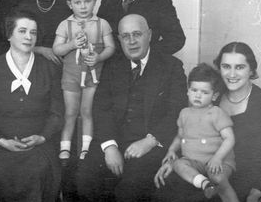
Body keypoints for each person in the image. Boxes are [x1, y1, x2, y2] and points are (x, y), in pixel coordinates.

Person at [76, 14, 187, 202]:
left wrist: (150, 141)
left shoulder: (171, 66)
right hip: (115, 141)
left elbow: (177, 111)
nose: (132, 41)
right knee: (83, 180)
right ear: (119, 39)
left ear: (149, 35)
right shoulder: (113, 65)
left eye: (137, 34)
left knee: (129, 190)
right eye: (126, 36)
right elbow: (102, 109)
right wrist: (110, 147)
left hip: (151, 145)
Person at [154, 42, 261, 202]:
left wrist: (257, 191)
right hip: (204, 166)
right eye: (226, 66)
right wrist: (177, 161)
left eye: (239, 67)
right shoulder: (212, 94)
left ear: (251, 70)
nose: (231, 74)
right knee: (166, 187)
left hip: (241, 176)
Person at [0, 11, 64, 202]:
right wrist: (1, 141)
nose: (29, 37)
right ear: (9, 35)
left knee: (38, 172)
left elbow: (57, 113)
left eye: (33, 32)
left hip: (38, 147)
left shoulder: (48, 68)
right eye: (22, 31)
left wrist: (41, 137)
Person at [52, 0, 115, 164]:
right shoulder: (65, 24)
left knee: (87, 111)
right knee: (70, 111)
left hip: (92, 75)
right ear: (69, 4)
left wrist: (98, 57)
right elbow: (57, 49)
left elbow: (111, 48)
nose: (83, 6)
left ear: (95, 0)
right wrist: (71, 44)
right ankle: (65, 148)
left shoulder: (102, 24)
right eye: (77, 2)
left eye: (87, 1)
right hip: (71, 75)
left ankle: (85, 148)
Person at [161, 63, 238, 202]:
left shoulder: (216, 113)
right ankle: (204, 183)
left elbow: (229, 139)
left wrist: (218, 158)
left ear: (214, 96)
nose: (198, 95)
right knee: (178, 164)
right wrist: (171, 150)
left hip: (218, 159)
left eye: (204, 92)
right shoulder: (184, 113)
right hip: (193, 160)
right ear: (188, 91)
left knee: (218, 178)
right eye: (194, 90)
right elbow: (179, 136)